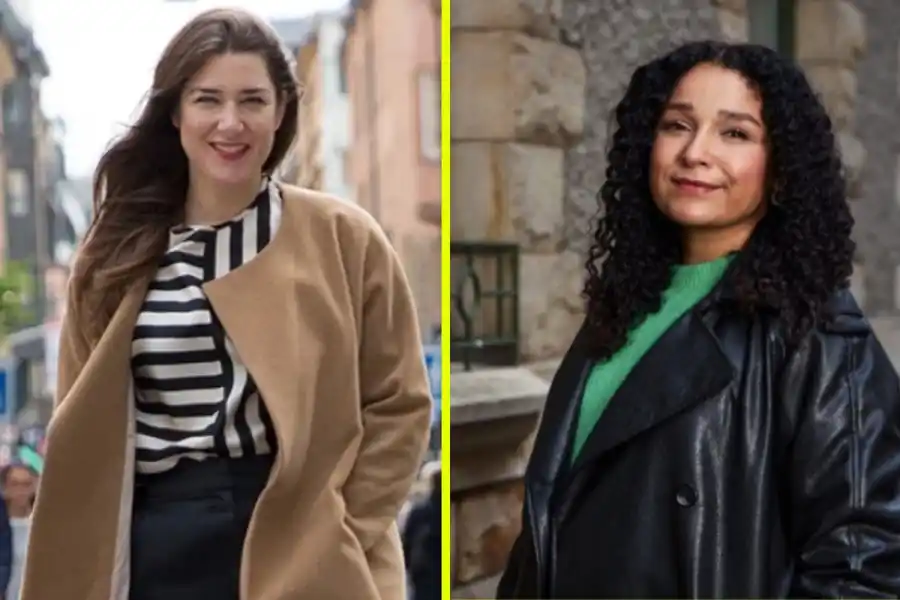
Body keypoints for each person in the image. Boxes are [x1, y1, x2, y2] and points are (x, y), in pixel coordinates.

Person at [21, 8, 432, 600]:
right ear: (175, 111)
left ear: (282, 110)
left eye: (253, 101)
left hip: (297, 533)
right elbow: (81, 424)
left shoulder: (343, 237)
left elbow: (399, 403)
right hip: (153, 544)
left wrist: (340, 530)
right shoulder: (113, 255)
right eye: (208, 99)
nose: (230, 123)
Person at [496, 40, 900, 599]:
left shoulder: (818, 331)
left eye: (735, 133)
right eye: (677, 125)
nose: (695, 153)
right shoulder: (624, 307)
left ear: (780, 167)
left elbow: (864, 565)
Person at [2, 461, 37, 600]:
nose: (21, 491)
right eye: (15, 484)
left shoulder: (39, 528)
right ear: (5, 488)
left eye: (26, 484)